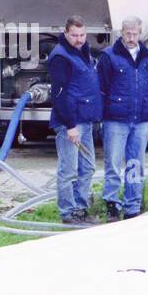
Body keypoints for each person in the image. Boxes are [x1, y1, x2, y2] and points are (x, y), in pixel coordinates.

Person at [95, 16, 148, 221]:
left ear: (141, 33)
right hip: (116, 120)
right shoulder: (109, 56)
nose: (131, 38)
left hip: (141, 120)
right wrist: (100, 116)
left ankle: (133, 205)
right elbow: (101, 88)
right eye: (127, 33)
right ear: (121, 32)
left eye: (135, 34)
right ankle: (112, 203)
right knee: (113, 162)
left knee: (135, 163)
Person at [47, 15, 101, 224]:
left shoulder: (82, 51)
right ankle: (67, 213)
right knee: (68, 169)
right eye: (74, 35)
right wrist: (70, 126)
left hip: (86, 120)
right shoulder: (60, 56)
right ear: (66, 33)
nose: (79, 39)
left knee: (87, 167)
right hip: (71, 123)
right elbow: (59, 95)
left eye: (82, 35)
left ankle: (81, 209)